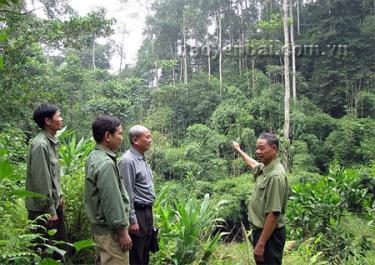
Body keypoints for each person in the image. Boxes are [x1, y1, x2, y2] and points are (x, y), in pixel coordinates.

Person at [232, 133, 288, 265]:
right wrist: (239, 150)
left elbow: (273, 214)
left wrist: (261, 244)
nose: (258, 151)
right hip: (263, 233)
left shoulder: (275, 176)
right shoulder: (265, 168)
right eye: (257, 148)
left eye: (262, 148)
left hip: (269, 236)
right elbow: (253, 164)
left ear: (274, 149)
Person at [84, 116, 132, 265]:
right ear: (107, 136)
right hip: (111, 234)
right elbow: (111, 201)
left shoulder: (94, 156)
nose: (122, 138)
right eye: (119, 133)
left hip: (100, 231)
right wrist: (122, 233)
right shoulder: (106, 164)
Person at [26, 103, 68, 259]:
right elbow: (41, 180)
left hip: (53, 207)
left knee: (59, 249)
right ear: (48, 121)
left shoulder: (51, 142)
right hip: (43, 211)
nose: (61, 119)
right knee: (46, 253)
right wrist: (50, 209)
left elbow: (53, 176)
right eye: (58, 116)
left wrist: (60, 196)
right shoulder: (40, 145)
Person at [118, 125, 155, 265]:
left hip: (146, 211)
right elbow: (127, 192)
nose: (150, 140)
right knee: (136, 254)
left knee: (145, 250)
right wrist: (132, 220)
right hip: (137, 212)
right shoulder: (128, 161)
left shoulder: (141, 158)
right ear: (135, 140)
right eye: (147, 137)